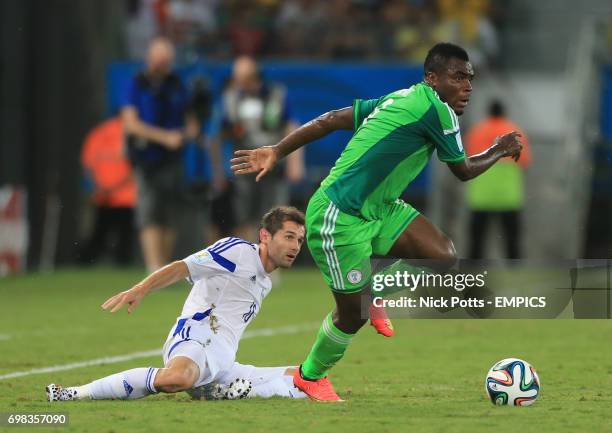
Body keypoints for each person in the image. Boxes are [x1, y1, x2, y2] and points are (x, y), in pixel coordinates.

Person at [230, 42, 523, 401]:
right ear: (432, 79)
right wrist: (499, 148)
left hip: (382, 207)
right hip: (340, 216)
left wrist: (278, 149)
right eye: (458, 77)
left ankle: (376, 292)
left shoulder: (399, 97)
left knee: (443, 256)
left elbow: (329, 120)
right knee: (352, 316)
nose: (467, 86)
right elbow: (462, 171)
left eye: (470, 79)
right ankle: (310, 376)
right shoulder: (438, 111)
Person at [46, 206, 307, 402]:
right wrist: (141, 289)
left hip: (222, 359)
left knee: (302, 379)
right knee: (177, 378)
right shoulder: (237, 251)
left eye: (299, 240)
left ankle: (213, 390)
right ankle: (73, 393)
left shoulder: (265, 282)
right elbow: (183, 267)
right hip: (195, 335)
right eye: (288, 236)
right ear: (264, 235)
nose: (295, 246)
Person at [121, 37, 199, 272]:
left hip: (173, 159)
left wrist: (186, 134)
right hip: (147, 158)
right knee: (150, 211)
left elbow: (191, 121)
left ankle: (163, 267)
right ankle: (152, 265)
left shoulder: (177, 84)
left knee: (171, 211)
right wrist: (164, 137)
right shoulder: (137, 83)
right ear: (149, 59)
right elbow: (130, 124)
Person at [213, 55, 304, 241]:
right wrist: (218, 172)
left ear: (255, 76)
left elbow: (291, 127)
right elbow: (217, 135)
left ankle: (272, 263)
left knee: (277, 215)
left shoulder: (276, 94)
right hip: (245, 165)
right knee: (244, 216)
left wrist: (296, 162)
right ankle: (249, 258)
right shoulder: (229, 98)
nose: (240, 83)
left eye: (244, 79)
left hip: (274, 164)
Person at [465, 99, 531, 259]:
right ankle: (514, 273)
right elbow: (525, 161)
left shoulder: (476, 131)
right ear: (504, 113)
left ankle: (473, 274)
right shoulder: (513, 132)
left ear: (488, 112)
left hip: (480, 197)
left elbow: (466, 159)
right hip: (508, 197)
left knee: (476, 242)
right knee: (512, 241)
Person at [78, 116, 136, 266]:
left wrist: (98, 187)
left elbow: (88, 166)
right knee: (122, 238)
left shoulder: (96, 135)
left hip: (108, 196)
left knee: (100, 235)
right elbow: (135, 169)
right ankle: (120, 265)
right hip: (122, 197)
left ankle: (85, 264)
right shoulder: (128, 134)